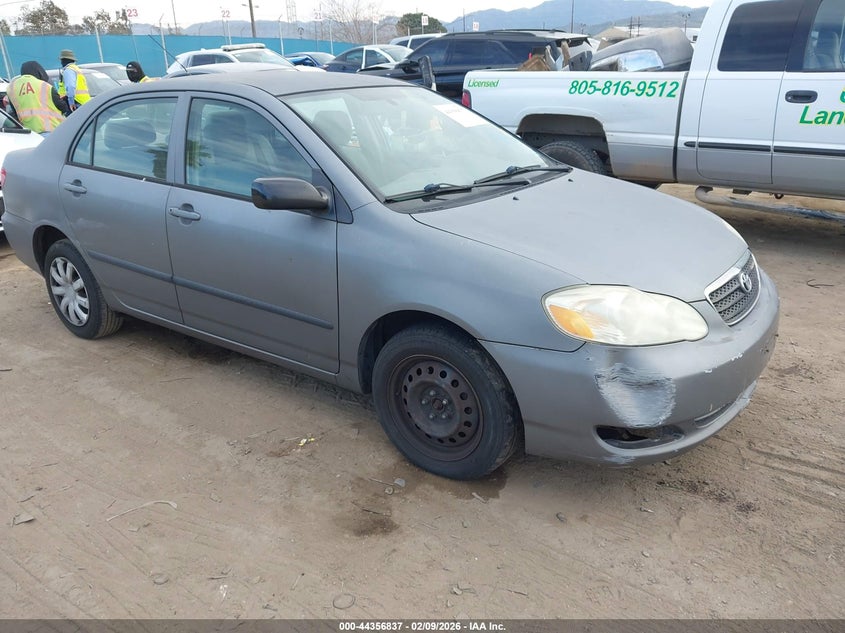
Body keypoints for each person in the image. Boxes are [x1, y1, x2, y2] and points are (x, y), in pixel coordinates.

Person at [5, 61, 65, 134]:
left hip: (29, 133)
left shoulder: (11, 88)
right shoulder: (44, 85)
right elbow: (62, 107)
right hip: (51, 130)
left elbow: (14, 112)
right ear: (39, 71)